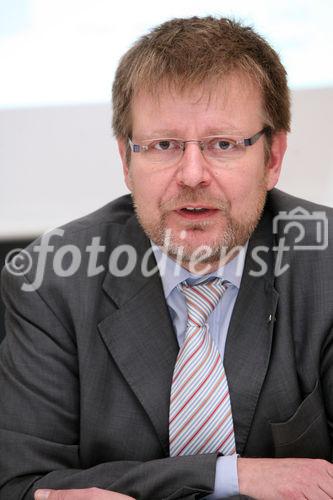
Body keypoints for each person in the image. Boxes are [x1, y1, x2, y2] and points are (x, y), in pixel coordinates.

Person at [0, 15, 332, 500]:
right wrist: (233, 477)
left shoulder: (325, 265)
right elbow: (20, 484)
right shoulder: (49, 282)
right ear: (126, 161)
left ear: (273, 157)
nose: (192, 174)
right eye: (163, 146)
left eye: (222, 144)